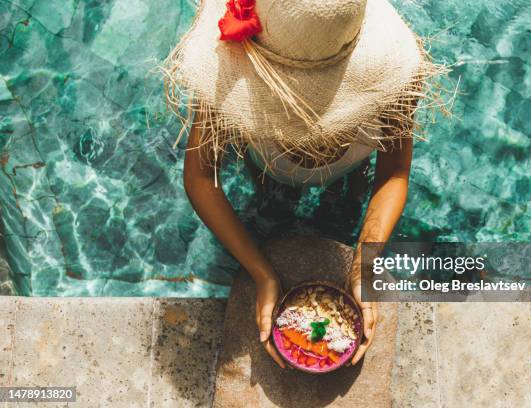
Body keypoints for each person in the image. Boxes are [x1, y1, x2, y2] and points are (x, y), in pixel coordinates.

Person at [164, 0, 443, 368]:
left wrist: (365, 263)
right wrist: (261, 272)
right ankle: (280, 195)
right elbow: (201, 177)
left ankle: (331, 197)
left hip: (351, 164)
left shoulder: (393, 84)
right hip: (268, 163)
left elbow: (391, 173)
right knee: (270, 188)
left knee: (354, 189)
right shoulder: (224, 81)